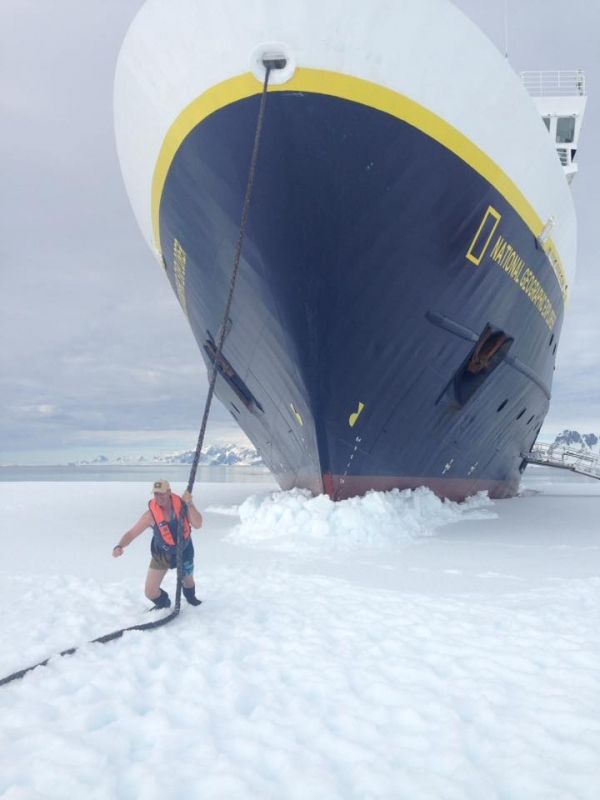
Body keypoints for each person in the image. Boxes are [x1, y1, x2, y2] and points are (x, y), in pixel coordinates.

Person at [112, 479, 203, 608]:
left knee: (188, 582)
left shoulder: (182, 507)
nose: (158, 497)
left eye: (162, 493)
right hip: (162, 553)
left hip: (184, 550)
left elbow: (198, 524)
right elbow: (132, 533)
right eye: (156, 494)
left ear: (169, 492)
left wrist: (190, 504)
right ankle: (164, 603)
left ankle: (191, 598)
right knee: (150, 592)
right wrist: (119, 546)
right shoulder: (150, 515)